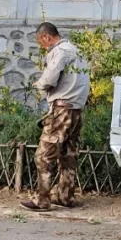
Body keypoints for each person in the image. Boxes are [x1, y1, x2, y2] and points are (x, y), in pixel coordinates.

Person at [21, 22, 90, 211]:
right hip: (76, 110)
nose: (43, 46)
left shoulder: (60, 52)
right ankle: (64, 196)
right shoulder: (77, 51)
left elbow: (50, 79)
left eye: (41, 42)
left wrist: (39, 85)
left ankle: (41, 200)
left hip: (61, 109)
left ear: (46, 37)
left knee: (44, 155)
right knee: (68, 154)